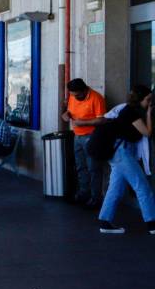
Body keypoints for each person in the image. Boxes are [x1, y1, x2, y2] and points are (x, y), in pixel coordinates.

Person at [98, 85, 155, 235]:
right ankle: (152, 224)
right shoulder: (131, 112)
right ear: (140, 99)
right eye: (148, 99)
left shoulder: (128, 110)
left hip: (119, 151)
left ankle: (105, 221)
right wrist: (149, 113)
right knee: (142, 186)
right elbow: (147, 133)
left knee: (116, 188)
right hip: (121, 152)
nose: (149, 102)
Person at [62, 78, 107, 207]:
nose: (74, 97)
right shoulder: (72, 97)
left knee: (94, 168)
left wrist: (83, 123)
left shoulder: (96, 98)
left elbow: (102, 120)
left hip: (91, 136)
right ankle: (83, 194)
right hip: (77, 135)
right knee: (81, 166)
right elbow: (70, 111)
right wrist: (66, 115)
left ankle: (95, 198)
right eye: (72, 94)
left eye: (76, 94)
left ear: (84, 90)